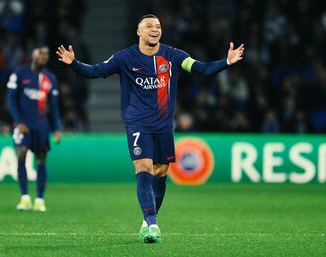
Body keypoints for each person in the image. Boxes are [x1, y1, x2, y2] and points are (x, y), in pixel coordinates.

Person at [56, 14, 244, 243]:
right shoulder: (125, 57)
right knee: (143, 167)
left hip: (164, 124)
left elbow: (200, 69)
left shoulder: (173, 55)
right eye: (149, 26)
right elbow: (96, 71)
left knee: (161, 171)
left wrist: (226, 62)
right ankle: (153, 224)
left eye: (158, 26)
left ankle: (147, 221)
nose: (154, 29)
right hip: (137, 123)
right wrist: (73, 63)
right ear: (139, 32)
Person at [7, 46, 62, 212]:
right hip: (23, 125)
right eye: (41, 53)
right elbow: (11, 100)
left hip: (41, 127)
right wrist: (18, 121)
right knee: (21, 156)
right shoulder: (19, 74)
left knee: (41, 161)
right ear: (33, 55)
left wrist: (57, 127)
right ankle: (24, 197)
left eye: (46, 54)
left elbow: (53, 106)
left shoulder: (50, 78)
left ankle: (39, 199)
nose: (44, 56)